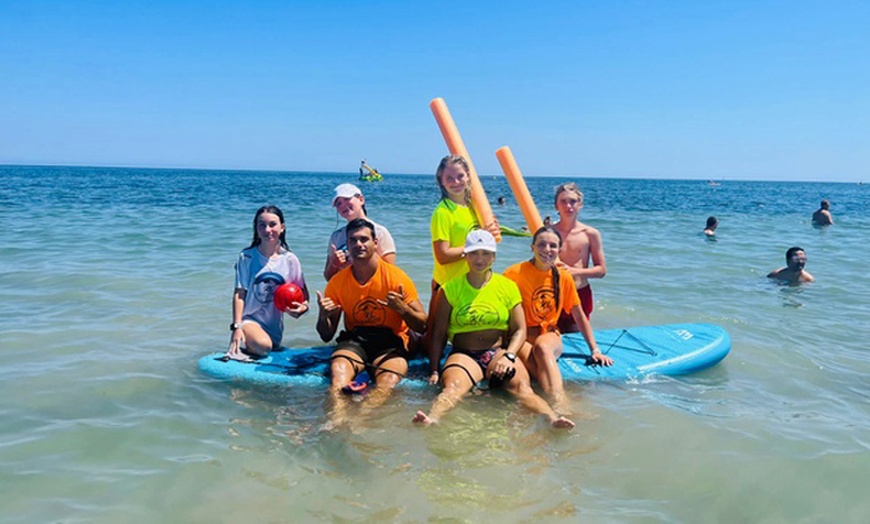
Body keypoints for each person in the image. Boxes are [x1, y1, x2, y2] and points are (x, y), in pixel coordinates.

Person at [413, 230, 574, 429]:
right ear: (466, 255)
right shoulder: (449, 289)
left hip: (497, 353)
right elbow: (438, 334)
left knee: (523, 389)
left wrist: (510, 356)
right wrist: (434, 369)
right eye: (474, 253)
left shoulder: (507, 286)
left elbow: (519, 330)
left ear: (494, 256)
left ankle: (552, 417)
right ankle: (432, 417)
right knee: (452, 389)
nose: (479, 259)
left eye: (485, 253)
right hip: (464, 354)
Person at [316, 218, 427, 427]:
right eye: (353, 240)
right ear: (347, 246)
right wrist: (323, 315)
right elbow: (326, 335)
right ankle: (337, 419)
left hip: (391, 341)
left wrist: (402, 309)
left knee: (388, 382)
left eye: (364, 239)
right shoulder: (337, 282)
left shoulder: (396, 277)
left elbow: (423, 325)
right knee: (338, 373)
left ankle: (359, 420)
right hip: (356, 339)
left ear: (375, 243)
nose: (359, 244)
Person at [503, 226, 613, 414]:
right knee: (540, 373)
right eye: (542, 244)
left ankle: (560, 404)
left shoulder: (564, 277)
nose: (547, 249)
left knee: (543, 348)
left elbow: (579, 315)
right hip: (521, 337)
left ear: (559, 250)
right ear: (532, 247)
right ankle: (553, 410)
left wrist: (595, 350)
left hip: (549, 334)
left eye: (553, 245)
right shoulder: (514, 273)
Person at [227, 206, 309, 361]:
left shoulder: (290, 260)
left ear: (282, 228)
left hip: (274, 328)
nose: (267, 229)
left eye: (272, 224)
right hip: (249, 321)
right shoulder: (247, 257)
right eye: (262, 225)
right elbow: (239, 294)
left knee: (270, 345)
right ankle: (243, 341)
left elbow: (303, 295)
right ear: (256, 229)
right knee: (264, 346)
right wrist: (236, 327)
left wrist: (302, 308)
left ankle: (256, 346)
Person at [430, 154, 500, 291]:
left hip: (474, 284)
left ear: (468, 176)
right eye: (449, 178)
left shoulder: (475, 207)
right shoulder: (442, 212)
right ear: (441, 181)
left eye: (460, 176)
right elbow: (443, 256)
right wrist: (478, 243)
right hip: (449, 286)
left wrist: (491, 233)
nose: (456, 182)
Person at [551, 183, 606, 329]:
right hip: (552, 293)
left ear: (580, 205)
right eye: (563, 201)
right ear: (556, 206)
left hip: (580, 292)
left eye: (573, 201)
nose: (568, 205)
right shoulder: (548, 233)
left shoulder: (590, 234)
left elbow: (601, 270)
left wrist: (575, 271)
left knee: (577, 338)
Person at [324, 183, 396, 281]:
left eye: (347, 199)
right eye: (338, 203)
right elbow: (329, 277)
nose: (343, 205)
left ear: (361, 199)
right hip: (347, 290)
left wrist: (361, 260)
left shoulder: (380, 232)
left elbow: (390, 273)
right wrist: (334, 264)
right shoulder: (337, 236)